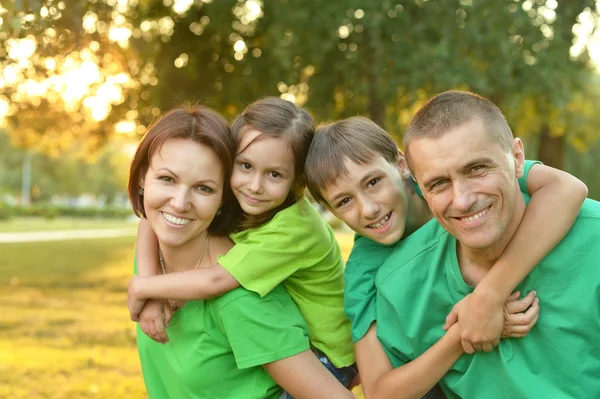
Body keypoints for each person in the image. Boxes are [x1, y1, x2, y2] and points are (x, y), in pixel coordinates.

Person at [305, 115, 588, 398]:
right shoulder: (365, 271)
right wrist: (464, 331)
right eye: (344, 201)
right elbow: (380, 390)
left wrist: (488, 296)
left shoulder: (448, 177)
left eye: (373, 182)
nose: (368, 209)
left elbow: (567, 188)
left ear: (402, 165)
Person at [372, 90, 599, 398]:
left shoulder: (592, 239)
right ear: (420, 190)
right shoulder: (400, 282)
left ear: (517, 158)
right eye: (438, 184)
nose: (463, 200)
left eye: (476, 169)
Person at [127, 98, 357, 392]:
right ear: (145, 177)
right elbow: (148, 218)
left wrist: (143, 287)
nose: (255, 185)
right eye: (167, 179)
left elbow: (216, 279)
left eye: (203, 188)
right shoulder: (157, 249)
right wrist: (149, 279)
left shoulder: (244, 293)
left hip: (332, 354)